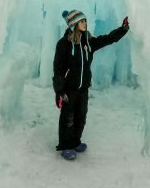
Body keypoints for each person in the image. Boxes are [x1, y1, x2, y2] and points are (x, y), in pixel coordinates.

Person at [52, 9, 130, 160]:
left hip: (83, 89)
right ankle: (65, 146)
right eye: (82, 21)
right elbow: (58, 69)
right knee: (68, 119)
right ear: (74, 24)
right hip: (69, 89)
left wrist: (123, 29)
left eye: (85, 20)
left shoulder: (88, 42)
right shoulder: (64, 44)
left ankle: (75, 142)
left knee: (81, 117)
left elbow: (108, 39)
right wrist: (59, 91)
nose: (85, 23)